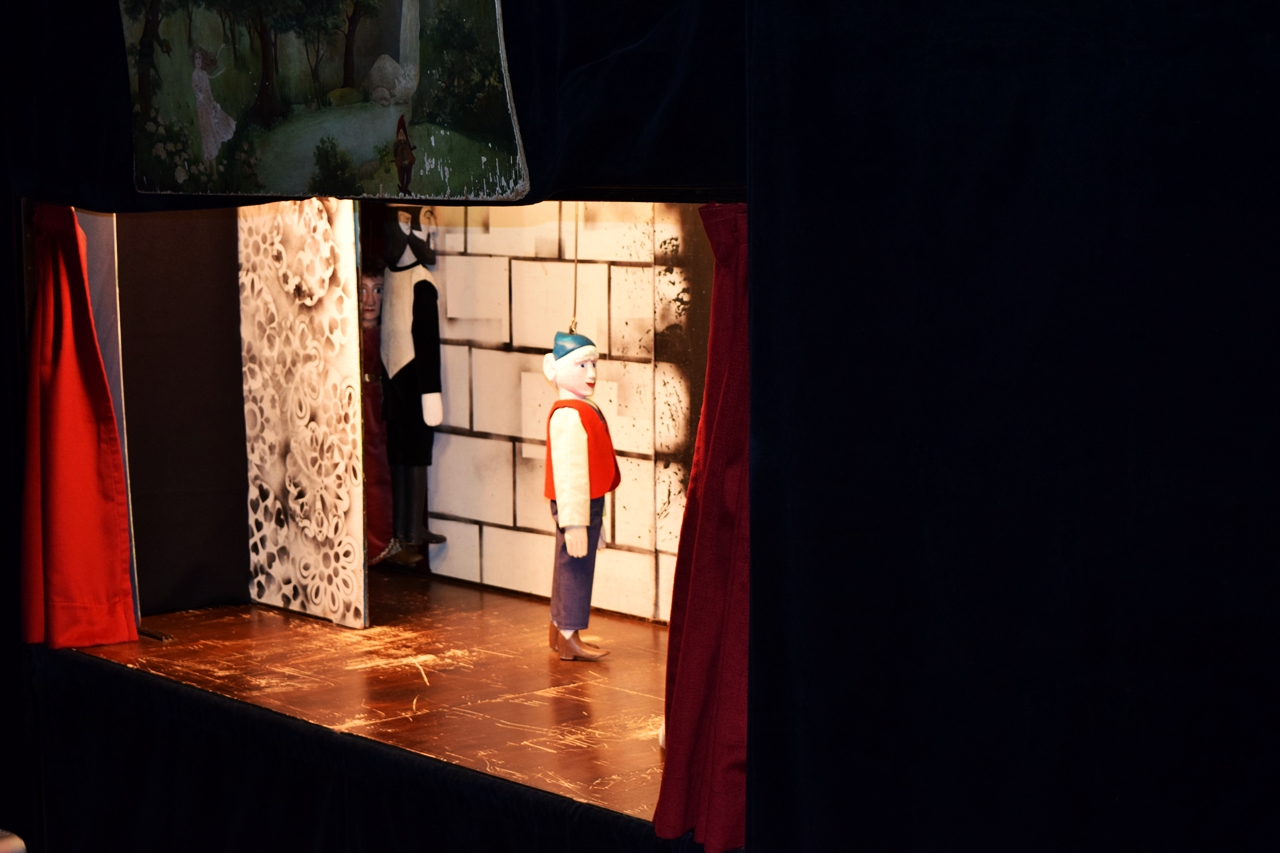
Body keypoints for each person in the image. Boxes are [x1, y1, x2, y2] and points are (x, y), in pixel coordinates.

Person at [543, 327, 621, 661]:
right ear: (555, 368)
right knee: (575, 568)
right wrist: (575, 522)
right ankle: (568, 635)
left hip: (587, 501)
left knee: (569, 563)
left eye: (593, 365)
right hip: (577, 502)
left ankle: (558, 627)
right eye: (582, 365)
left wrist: (593, 522)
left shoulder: (580, 409)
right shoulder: (569, 415)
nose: (591, 374)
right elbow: (569, 473)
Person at [381, 205, 445, 564]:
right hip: (410, 382)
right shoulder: (417, 280)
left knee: (406, 458)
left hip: (398, 379)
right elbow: (427, 343)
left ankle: (408, 531)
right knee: (409, 457)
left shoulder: (398, 277)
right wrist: (431, 392)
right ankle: (407, 533)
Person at [358, 262, 398, 564]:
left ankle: (382, 541)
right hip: (356, 407)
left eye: (378, 290)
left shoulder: (390, 335)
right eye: (363, 290)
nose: (370, 300)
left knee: (380, 470)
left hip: (380, 407)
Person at [192, 46, 235, 162]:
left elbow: (209, 92)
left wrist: (213, 105)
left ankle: (214, 165)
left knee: (213, 133)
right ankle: (208, 164)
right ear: (193, 60)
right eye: (196, 58)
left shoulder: (204, 73)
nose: (198, 60)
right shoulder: (195, 75)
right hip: (202, 109)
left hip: (209, 106)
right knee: (206, 135)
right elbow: (197, 92)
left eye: (199, 58)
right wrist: (202, 98)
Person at [393, 115, 415, 195]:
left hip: (408, 165)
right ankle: (402, 187)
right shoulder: (396, 145)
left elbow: (410, 155)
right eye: (400, 134)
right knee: (401, 178)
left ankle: (406, 188)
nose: (401, 136)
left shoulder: (407, 144)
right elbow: (396, 156)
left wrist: (407, 149)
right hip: (401, 166)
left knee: (408, 179)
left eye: (403, 134)